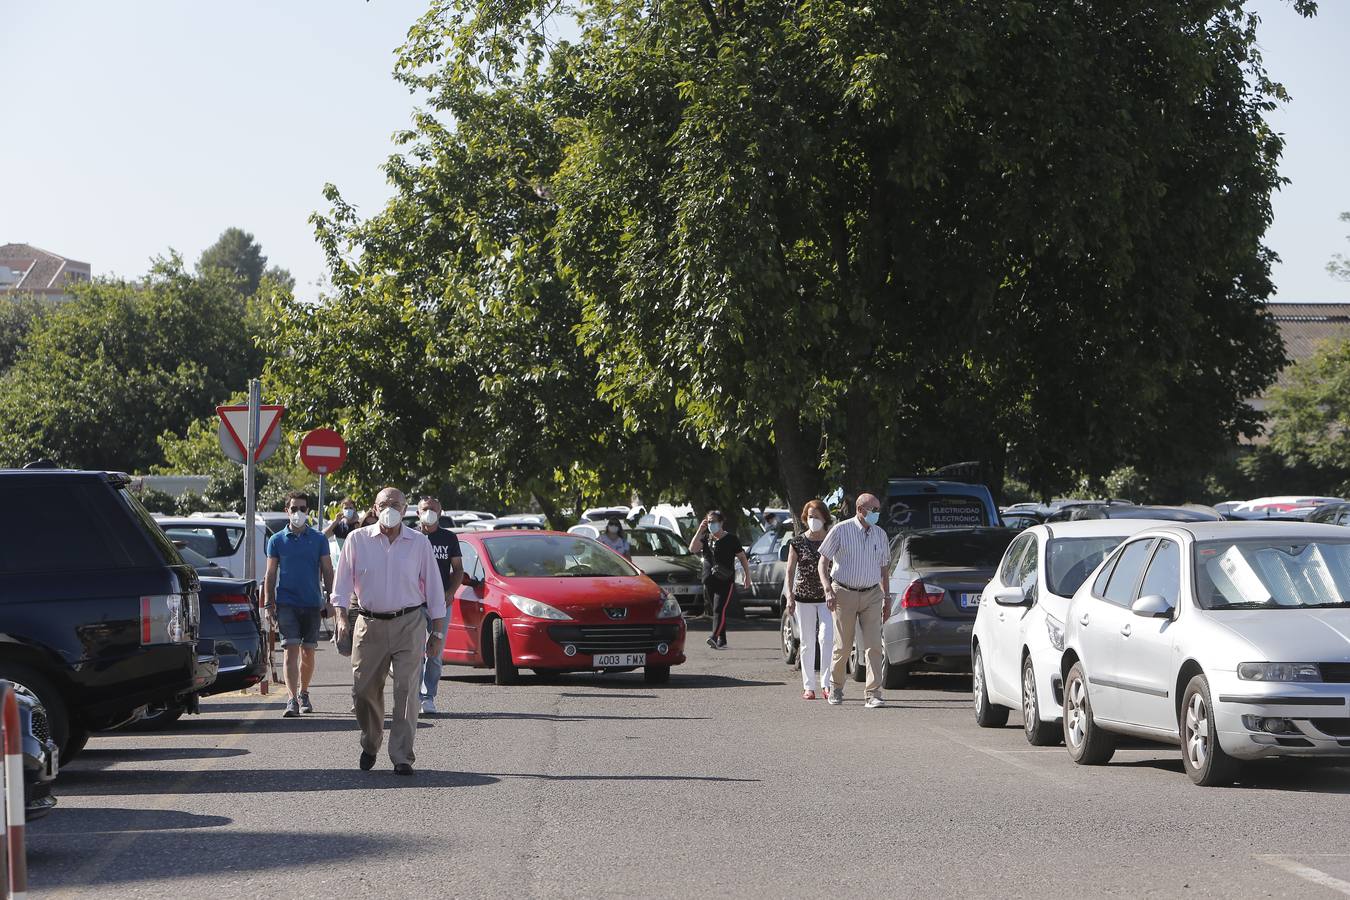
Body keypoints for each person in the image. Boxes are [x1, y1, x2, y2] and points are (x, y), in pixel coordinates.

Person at [332, 487, 446, 775]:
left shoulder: (419, 543)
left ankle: (402, 755)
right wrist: (342, 618)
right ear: (374, 507)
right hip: (368, 623)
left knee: (407, 690)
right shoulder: (358, 540)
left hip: (409, 623)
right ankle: (371, 742)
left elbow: (433, 590)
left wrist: (437, 633)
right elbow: (341, 585)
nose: (390, 508)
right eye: (384, 503)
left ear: (406, 509)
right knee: (363, 690)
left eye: (396, 503)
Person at [261, 491, 335, 718]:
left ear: (308, 511)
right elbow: (270, 574)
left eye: (303, 509)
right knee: (289, 650)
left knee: (309, 652)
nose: (298, 513)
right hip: (287, 604)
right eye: (294, 509)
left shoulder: (318, 539)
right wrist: (268, 603)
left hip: (312, 603)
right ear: (287, 511)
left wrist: (331, 600)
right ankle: (291, 699)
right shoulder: (277, 540)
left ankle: (304, 692)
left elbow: (328, 571)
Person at [818, 492, 891, 709]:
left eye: (878, 509)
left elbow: (884, 569)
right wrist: (827, 590)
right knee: (843, 645)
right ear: (860, 510)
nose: (877, 514)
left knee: (874, 646)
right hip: (844, 592)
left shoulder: (880, 534)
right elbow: (823, 563)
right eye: (874, 510)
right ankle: (836, 687)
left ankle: (873, 693)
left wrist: (887, 597)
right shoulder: (841, 530)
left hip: (872, 594)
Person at [416, 496, 463, 716]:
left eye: (433, 509)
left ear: (440, 512)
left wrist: (450, 593)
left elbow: (458, 570)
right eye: (425, 509)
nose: (429, 512)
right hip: (414, 605)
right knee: (414, 654)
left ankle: (428, 696)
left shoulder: (449, 538)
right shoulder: (411, 537)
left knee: (434, 653)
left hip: (440, 605)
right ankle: (412, 696)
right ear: (418, 512)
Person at [785, 500, 833, 700]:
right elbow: (790, 571)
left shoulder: (831, 540)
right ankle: (808, 686)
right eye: (810, 517)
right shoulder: (797, 542)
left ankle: (826, 684)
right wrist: (790, 595)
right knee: (806, 641)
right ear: (805, 519)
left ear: (825, 518)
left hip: (827, 598)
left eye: (817, 516)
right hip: (803, 598)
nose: (814, 520)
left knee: (827, 638)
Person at [689, 510, 751, 650]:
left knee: (719, 608)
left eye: (714, 521)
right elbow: (692, 548)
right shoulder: (706, 538)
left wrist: (747, 575)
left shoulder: (731, 539)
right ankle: (722, 639)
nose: (711, 524)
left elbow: (742, 557)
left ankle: (714, 637)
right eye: (709, 521)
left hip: (725, 579)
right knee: (716, 610)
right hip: (709, 579)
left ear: (721, 522)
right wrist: (700, 529)